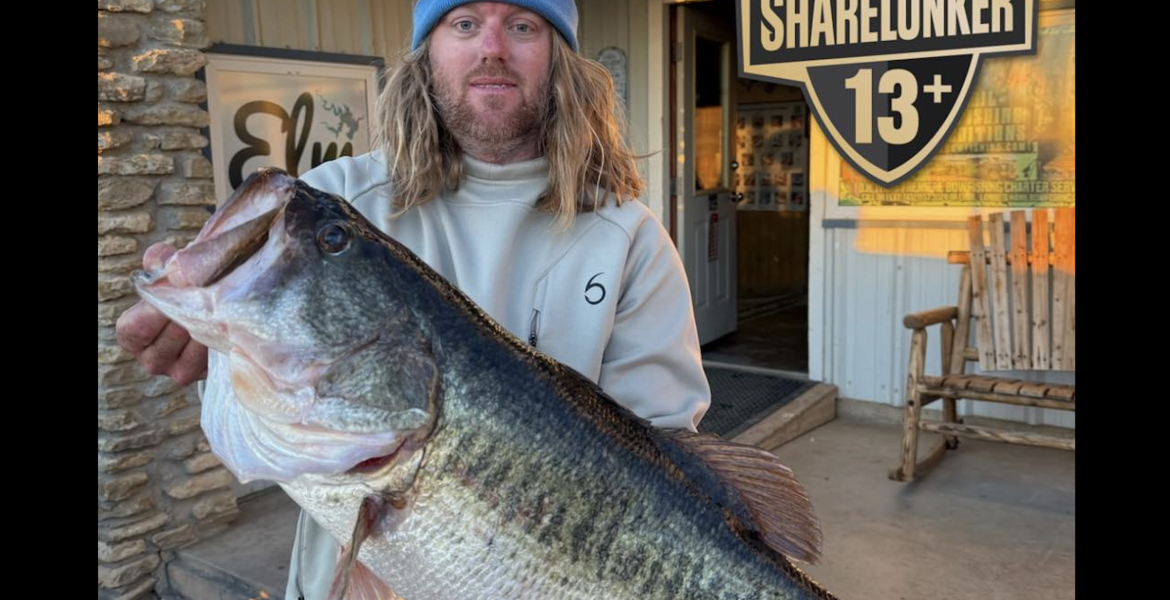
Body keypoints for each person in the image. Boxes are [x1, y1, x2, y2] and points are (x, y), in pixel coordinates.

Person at [115, 2, 710, 598]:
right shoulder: (337, 199)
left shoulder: (630, 238)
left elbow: (671, 474)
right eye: (465, 22)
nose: (493, 47)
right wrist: (204, 348)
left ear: (561, 61)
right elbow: (267, 384)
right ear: (426, 50)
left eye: (523, 25)